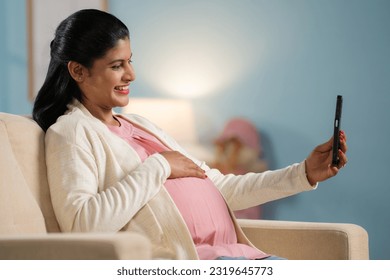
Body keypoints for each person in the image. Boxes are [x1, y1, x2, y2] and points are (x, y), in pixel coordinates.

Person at [32, 9, 348, 260]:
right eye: (117, 65)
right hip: (197, 262)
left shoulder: (140, 125)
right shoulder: (71, 131)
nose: (131, 74)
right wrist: (160, 167)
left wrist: (304, 173)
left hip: (240, 257)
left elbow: (221, 187)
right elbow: (82, 226)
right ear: (77, 71)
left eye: (130, 61)